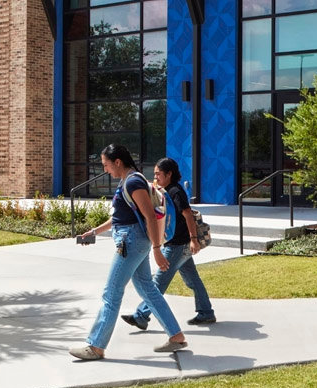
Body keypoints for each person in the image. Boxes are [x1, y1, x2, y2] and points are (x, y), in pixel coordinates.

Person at [69, 145, 188, 360]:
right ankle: (176, 336)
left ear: (118, 162)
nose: (105, 170)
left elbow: (150, 216)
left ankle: (96, 347)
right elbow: (119, 217)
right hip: (132, 240)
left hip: (131, 242)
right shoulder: (128, 181)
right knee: (148, 289)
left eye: (106, 165)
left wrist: (157, 249)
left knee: (111, 293)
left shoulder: (133, 182)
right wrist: (94, 232)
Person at [121, 157, 216, 330]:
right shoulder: (165, 190)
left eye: (158, 174)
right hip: (179, 244)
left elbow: (188, 214)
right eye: (155, 174)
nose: (156, 177)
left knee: (158, 282)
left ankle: (141, 316)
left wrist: (194, 240)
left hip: (177, 245)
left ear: (169, 174)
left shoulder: (175, 191)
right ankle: (206, 312)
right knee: (193, 280)